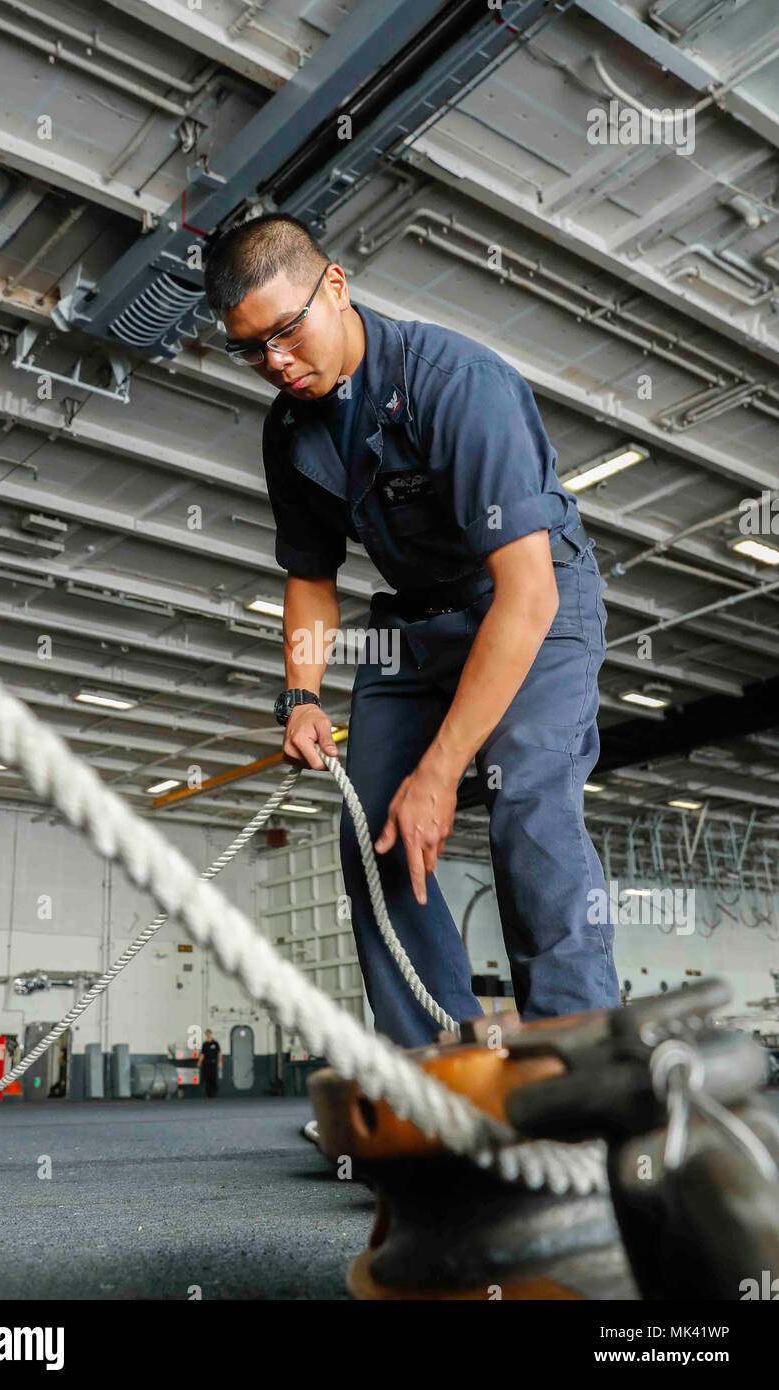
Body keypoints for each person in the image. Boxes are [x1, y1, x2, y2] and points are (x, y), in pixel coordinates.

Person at [203, 214, 619, 1050]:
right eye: (251, 350)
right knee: (377, 833)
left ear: (336, 286)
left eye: (287, 331)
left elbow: (526, 593)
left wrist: (442, 772)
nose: (276, 363)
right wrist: (302, 695)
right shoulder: (289, 432)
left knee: (527, 799)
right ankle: (434, 1061)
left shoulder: (456, 383)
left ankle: (581, 1055)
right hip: (415, 623)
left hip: (533, 600)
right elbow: (311, 578)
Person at [201, 1029, 221, 1097]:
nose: (208, 1034)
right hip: (206, 1063)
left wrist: (220, 1062)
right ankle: (208, 1094)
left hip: (213, 1062)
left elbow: (219, 1053)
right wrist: (199, 1062)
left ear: (211, 1034)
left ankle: (214, 1092)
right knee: (207, 1078)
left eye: (209, 1033)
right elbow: (202, 1054)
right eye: (207, 1033)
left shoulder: (215, 1043)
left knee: (213, 1078)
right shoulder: (204, 1044)